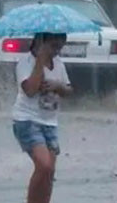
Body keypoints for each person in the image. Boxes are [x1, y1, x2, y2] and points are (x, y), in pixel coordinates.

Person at [12, 32, 73, 203]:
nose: (56, 51)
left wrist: (58, 86)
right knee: (44, 165)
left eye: (60, 47)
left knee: (49, 171)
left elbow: (69, 90)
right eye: (53, 46)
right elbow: (30, 90)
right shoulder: (26, 62)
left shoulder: (58, 64)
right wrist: (40, 60)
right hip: (28, 120)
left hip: (50, 123)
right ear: (41, 42)